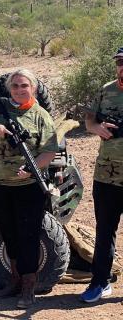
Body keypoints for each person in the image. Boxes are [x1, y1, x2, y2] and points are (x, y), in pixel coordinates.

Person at [0, 68, 58, 309]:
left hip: (28, 187)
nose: (19, 90)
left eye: (24, 86)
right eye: (15, 86)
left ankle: (29, 288)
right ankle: (14, 282)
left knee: (28, 237)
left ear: (34, 89)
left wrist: (32, 168)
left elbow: (49, 150)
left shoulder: (41, 116)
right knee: (7, 234)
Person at [79, 47, 123, 303]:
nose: (122, 67)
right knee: (105, 231)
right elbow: (89, 120)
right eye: (120, 62)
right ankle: (100, 282)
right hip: (107, 174)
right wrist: (98, 128)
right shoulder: (106, 90)